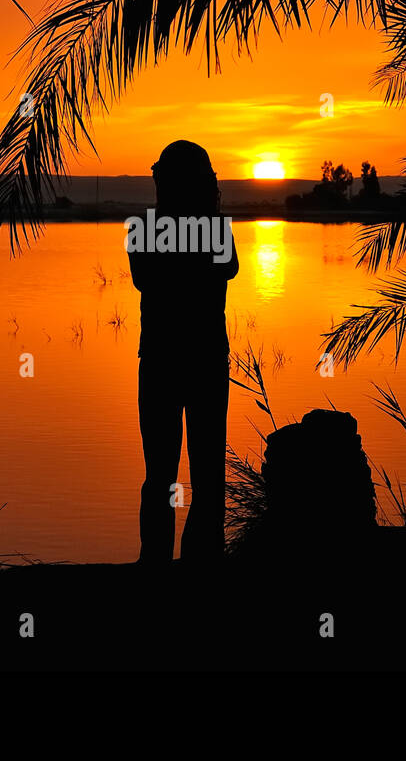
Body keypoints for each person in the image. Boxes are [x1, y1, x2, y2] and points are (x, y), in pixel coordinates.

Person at [128, 140, 238, 563]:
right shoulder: (209, 229)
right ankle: (189, 560)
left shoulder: (147, 228)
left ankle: (172, 560)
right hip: (195, 360)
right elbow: (221, 268)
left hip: (167, 360)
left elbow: (154, 278)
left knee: (173, 473)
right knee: (187, 472)